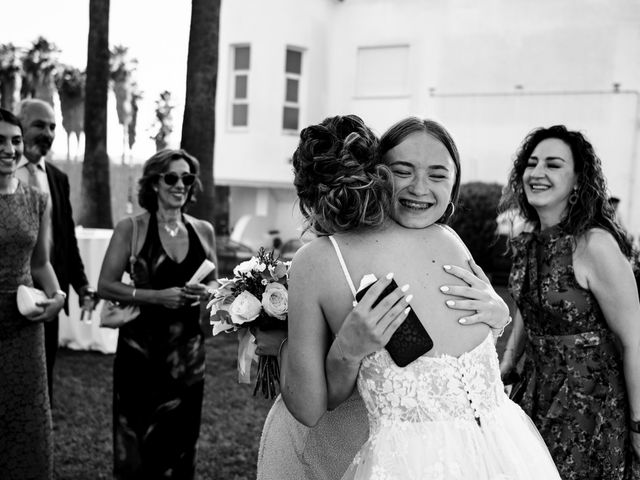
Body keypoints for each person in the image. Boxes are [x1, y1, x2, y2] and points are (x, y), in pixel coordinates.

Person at [261, 115, 560, 479]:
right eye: (403, 170)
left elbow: (459, 353)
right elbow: (311, 409)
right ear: (377, 173)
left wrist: (498, 317)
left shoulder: (449, 239)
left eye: (438, 175)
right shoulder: (323, 260)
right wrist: (346, 349)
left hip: (505, 454)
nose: (420, 188)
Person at [498, 125, 640, 479]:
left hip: (590, 404)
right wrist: (505, 367)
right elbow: (527, 310)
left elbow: (634, 340)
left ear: (578, 181)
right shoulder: (528, 243)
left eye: (553, 164)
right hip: (536, 392)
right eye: (531, 163)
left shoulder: (594, 245)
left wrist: (638, 426)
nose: (538, 172)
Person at [98, 149, 218, 479]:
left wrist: (205, 291)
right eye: (171, 177)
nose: (180, 184)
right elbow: (106, 285)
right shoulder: (131, 229)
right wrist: (157, 296)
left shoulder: (203, 230)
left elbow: (215, 286)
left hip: (188, 357)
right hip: (141, 356)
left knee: (181, 446)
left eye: (187, 178)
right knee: (137, 448)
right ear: (154, 183)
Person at [15, 98, 98, 406]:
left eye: (52, 127)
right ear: (19, 125)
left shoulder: (58, 179)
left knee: (41, 381)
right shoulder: (6, 176)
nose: (47, 133)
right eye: (39, 125)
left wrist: (82, 286)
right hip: (9, 290)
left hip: (49, 294)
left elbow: (66, 241)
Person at [0, 108, 65, 478]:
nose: (9, 149)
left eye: (15, 140)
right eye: (0, 140)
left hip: (24, 326)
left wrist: (57, 297)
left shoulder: (37, 200)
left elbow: (41, 263)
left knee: (25, 417)